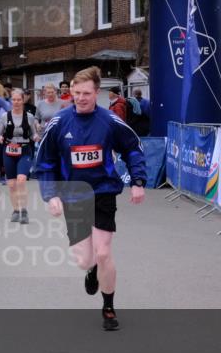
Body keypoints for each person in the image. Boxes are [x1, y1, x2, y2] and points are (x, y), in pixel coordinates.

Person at [34, 66, 147, 332]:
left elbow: (133, 149)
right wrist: (50, 195)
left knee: (105, 251)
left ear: (97, 93)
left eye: (86, 93)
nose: (81, 98)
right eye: (76, 93)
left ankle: (108, 308)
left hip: (103, 191)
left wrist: (138, 182)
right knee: (85, 259)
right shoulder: (59, 123)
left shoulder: (110, 121)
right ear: (70, 92)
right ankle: (91, 268)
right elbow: (45, 161)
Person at [0, 88, 40, 224]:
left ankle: (24, 211)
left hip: (24, 151)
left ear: (23, 100)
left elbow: (33, 134)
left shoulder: (29, 117)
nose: (16, 102)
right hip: (8, 151)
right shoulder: (5, 117)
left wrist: (36, 136)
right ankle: (15, 210)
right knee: (12, 184)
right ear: (11, 101)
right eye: (14, 100)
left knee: (21, 180)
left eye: (19, 99)